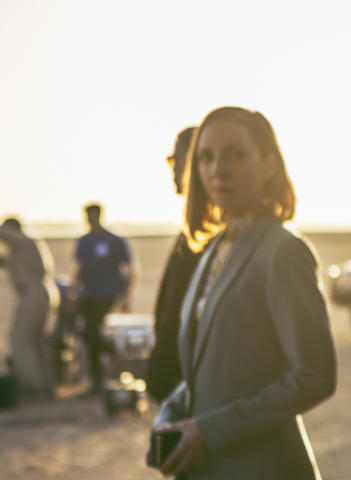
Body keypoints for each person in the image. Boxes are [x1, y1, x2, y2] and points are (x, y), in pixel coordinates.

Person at [152, 106, 336, 480]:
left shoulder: (283, 252)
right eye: (206, 156)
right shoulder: (210, 253)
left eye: (235, 154)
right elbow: (203, 368)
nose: (217, 169)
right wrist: (172, 414)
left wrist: (212, 430)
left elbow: (313, 375)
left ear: (269, 164)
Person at [146, 126, 204, 402]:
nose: (171, 168)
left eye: (174, 159)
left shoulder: (206, 238)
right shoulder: (192, 233)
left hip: (191, 391)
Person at [73, 202, 134, 393]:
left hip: (107, 293)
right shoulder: (84, 241)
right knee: (88, 335)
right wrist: (74, 292)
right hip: (88, 294)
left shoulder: (113, 241)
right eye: (88, 215)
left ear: (99, 215)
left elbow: (129, 268)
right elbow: (80, 269)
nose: (90, 219)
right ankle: (97, 379)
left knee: (92, 331)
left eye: (93, 215)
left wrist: (126, 295)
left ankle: (113, 354)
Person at [0, 217, 59, 397]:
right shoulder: (21, 250)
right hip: (39, 294)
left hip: (34, 294)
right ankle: (45, 385)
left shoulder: (25, 241)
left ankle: (31, 386)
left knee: (21, 339)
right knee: (36, 341)